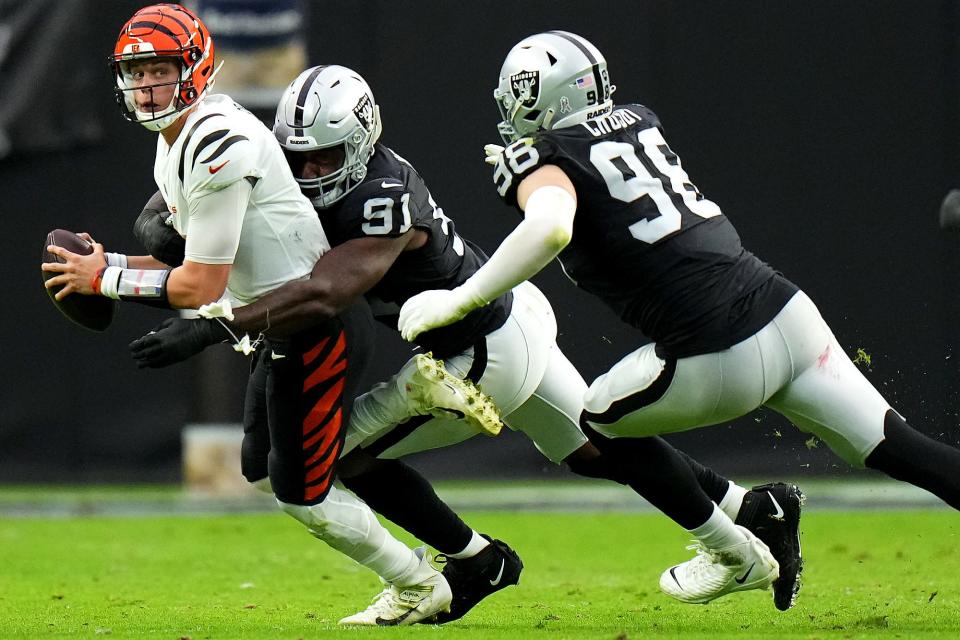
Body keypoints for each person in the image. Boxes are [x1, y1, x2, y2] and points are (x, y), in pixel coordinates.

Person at [131, 63, 805, 614]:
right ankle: (750, 522)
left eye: (325, 159)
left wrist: (213, 319)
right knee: (601, 449)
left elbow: (330, 290)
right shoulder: (293, 170)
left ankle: (472, 562)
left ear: (362, 142)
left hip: (479, 353)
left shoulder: (379, 193)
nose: (309, 174)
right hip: (508, 317)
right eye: (298, 159)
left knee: (327, 461)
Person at [396, 29, 960, 606]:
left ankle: (730, 551)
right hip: (786, 312)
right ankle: (758, 513)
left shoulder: (543, 158)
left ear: (545, 97)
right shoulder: (637, 122)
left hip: (716, 349)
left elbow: (551, 227)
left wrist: (460, 297)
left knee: (595, 425)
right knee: (902, 447)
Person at [39, 4, 501, 626]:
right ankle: (437, 515)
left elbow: (202, 281)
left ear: (196, 66)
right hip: (279, 325)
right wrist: (110, 263)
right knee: (261, 471)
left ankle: (419, 582)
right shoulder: (181, 135)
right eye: (136, 72)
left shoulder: (215, 145)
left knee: (305, 495)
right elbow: (198, 255)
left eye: (160, 69)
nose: (147, 86)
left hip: (313, 328)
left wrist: (107, 281)